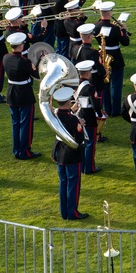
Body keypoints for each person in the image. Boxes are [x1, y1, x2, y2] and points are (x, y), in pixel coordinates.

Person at [49, 86, 88, 219]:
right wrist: (80, 125)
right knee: (73, 183)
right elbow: (79, 138)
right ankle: (72, 212)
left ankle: (64, 212)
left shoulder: (54, 114)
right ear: (67, 102)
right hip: (71, 153)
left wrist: (72, 111)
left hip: (59, 151)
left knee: (63, 182)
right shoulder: (73, 120)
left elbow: (63, 114)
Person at [3, 32, 40, 160]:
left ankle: (17, 150)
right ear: (21, 46)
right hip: (24, 94)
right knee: (26, 124)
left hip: (12, 93)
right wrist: (39, 60)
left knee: (16, 124)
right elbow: (37, 74)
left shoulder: (6, 58)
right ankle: (25, 151)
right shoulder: (24, 61)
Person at [95, 1, 130, 118]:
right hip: (115, 57)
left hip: (102, 56)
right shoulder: (115, 28)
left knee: (105, 83)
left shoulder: (96, 26)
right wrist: (123, 30)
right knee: (116, 83)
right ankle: (115, 110)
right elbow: (125, 42)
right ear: (109, 13)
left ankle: (107, 108)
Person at [73, 60, 101, 174]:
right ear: (88, 74)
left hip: (79, 114)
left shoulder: (76, 84)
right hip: (89, 116)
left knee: (83, 142)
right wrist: (100, 114)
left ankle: (83, 165)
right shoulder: (90, 87)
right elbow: (95, 105)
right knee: (90, 143)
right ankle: (89, 168)